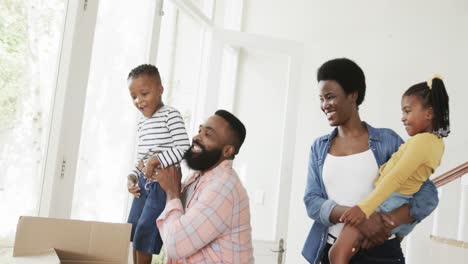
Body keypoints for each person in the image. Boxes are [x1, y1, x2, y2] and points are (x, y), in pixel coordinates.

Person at [302, 58, 439, 264]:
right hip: (332, 249)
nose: (324, 105)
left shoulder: (387, 140)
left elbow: (426, 192)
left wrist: (388, 222)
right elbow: (312, 201)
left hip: (381, 251)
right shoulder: (319, 147)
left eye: (330, 97)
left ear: (353, 95)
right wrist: (358, 219)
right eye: (321, 99)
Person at [331, 76, 450, 263]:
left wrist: (363, 209)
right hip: (400, 206)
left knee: (337, 253)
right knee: (358, 250)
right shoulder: (437, 144)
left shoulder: (421, 142)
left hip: (388, 203)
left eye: (408, 111)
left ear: (429, 113)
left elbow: (395, 178)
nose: (403, 118)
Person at [147, 110, 254, 264]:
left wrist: (172, 191)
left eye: (208, 135)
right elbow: (174, 218)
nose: (196, 137)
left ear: (228, 150)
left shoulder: (223, 188)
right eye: (199, 131)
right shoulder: (198, 177)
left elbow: (175, 244)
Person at [125, 64, 190, 264]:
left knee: (146, 231)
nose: (139, 101)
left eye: (144, 93)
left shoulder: (171, 115)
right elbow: (143, 156)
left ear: (160, 90)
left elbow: (183, 147)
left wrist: (157, 160)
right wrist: (133, 176)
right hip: (144, 183)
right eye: (134, 96)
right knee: (134, 229)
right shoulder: (142, 123)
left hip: (161, 186)